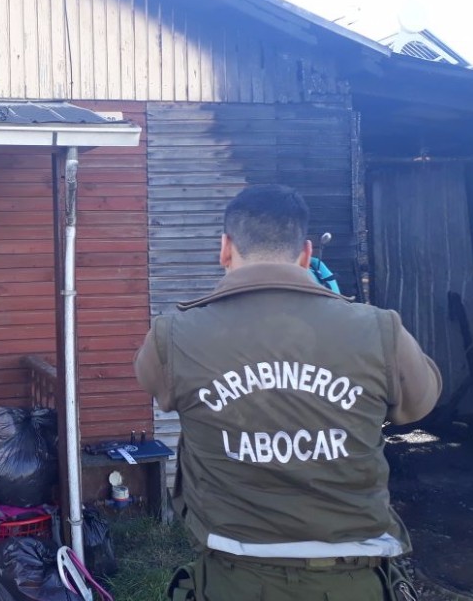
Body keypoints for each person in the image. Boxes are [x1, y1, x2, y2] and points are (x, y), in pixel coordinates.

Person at [134, 184, 441, 601]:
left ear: (225, 249)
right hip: (352, 582)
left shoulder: (172, 336)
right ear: (306, 253)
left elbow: (157, 387)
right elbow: (419, 403)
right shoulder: (379, 328)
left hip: (232, 580)